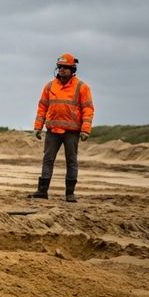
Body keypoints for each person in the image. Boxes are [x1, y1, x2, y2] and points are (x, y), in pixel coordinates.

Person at [29, 53, 94, 202]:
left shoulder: (82, 87)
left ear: (73, 69)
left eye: (66, 67)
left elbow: (88, 109)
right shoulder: (49, 86)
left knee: (71, 161)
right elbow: (42, 107)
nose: (62, 70)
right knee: (48, 160)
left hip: (72, 132)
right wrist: (38, 127)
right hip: (52, 131)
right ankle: (42, 191)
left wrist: (85, 129)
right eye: (60, 67)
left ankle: (70, 194)